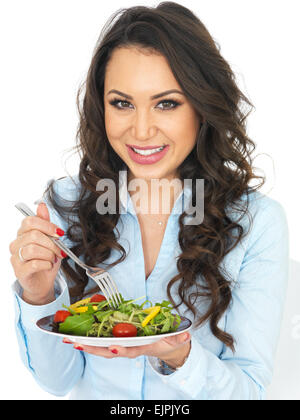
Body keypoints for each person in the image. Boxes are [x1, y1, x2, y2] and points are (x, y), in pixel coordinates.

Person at [9, 2, 289, 400]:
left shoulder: (255, 222)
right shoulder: (66, 205)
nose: (141, 130)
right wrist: (38, 294)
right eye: (122, 103)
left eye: (167, 103)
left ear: (202, 108)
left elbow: (251, 390)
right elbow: (58, 381)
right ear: (100, 106)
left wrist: (179, 355)